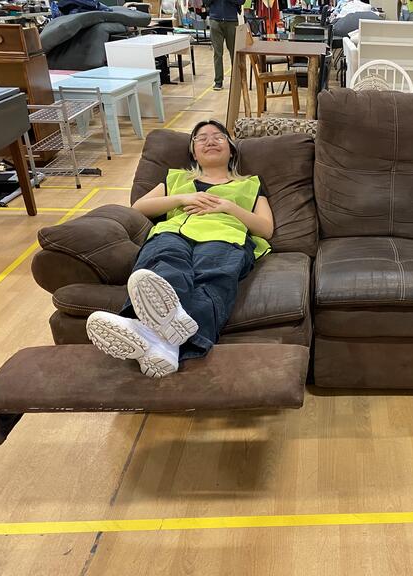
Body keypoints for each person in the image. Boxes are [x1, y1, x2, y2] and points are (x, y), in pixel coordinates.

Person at [86, 120, 274, 378]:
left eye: (218, 137)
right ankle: (167, 345)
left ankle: (149, 335)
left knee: (212, 279)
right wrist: (182, 198)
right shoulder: (175, 179)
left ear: (231, 150)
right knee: (162, 265)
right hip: (173, 233)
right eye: (201, 138)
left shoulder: (251, 184)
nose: (210, 140)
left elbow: (266, 228)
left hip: (224, 237)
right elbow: (138, 208)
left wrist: (228, 207)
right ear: (193, 152)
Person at [206, 0, 244, 90]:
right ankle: (218, 81)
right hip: (215, 20)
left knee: (234, 52)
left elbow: (241, 1)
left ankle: (237, 80)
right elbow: (205, 1)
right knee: (217, 53)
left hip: (231, 20)